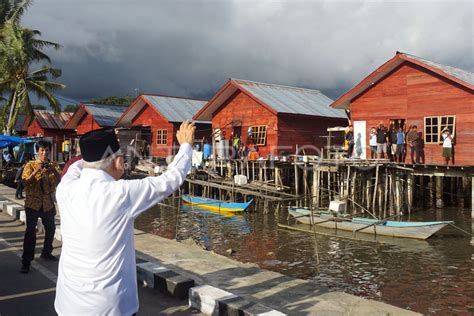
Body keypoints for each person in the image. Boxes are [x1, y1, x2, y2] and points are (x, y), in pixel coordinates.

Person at [54, 122, 195, 315]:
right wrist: (186, 146)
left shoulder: (65, 188)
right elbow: (170, 180)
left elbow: (76, 167)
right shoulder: (119, 194)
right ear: (118, 162)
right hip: (109, 307)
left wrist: (95, 148)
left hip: (68, 303)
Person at [20, 140, 61, 273]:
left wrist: (53, 170)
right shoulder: (30, 165)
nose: (44, 153)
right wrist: (37, 170)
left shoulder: (53, 165)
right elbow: (26, 182)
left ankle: (46, 252)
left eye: (47, 150)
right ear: (37, 151)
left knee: (51, 229)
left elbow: (60, 181)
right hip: (33, 203)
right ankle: (26, 262)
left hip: (48, 204)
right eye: (42, 150)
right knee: (30, 232)